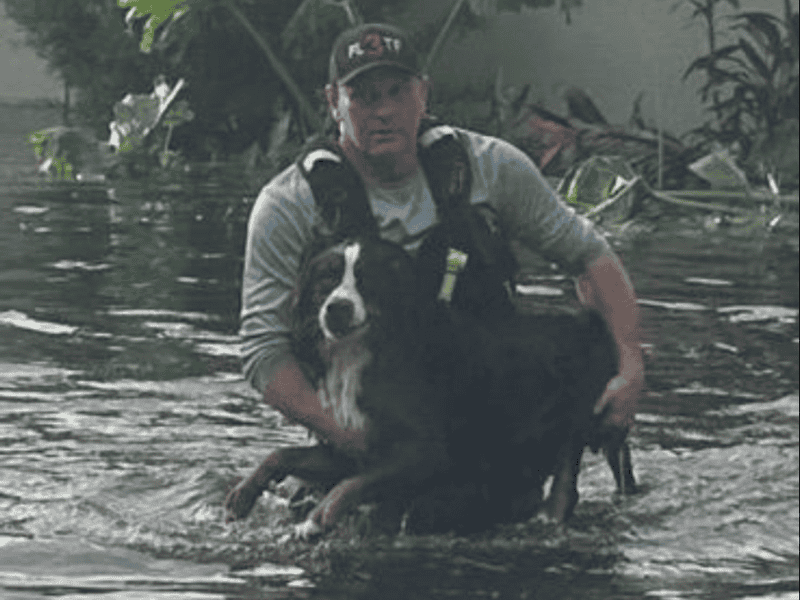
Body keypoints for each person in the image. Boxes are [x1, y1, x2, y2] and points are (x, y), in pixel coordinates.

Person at [240, 23, 644, 455]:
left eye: (398, 92)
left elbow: (590, 258)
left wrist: (629, 362)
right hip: (360, 418)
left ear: (425, 94)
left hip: (484, 399)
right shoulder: (287, 204)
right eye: (364, 97)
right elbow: (263, 349)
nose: (384, 111)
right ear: (333, 102)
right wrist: (347, 435)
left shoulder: (493, 168)